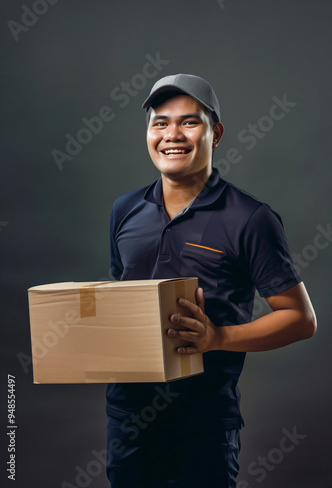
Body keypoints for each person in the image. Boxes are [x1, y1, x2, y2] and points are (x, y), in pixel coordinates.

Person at [105, 73, 317, 487]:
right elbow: (121, 298)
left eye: (189, 121)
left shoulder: (250, 218)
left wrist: (218, 337)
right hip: (127, 419)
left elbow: (300, 318)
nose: (172, 135)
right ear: (148, 133)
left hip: (203, 424)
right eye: (160, 123)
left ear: (215, 134)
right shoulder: (124, 210)